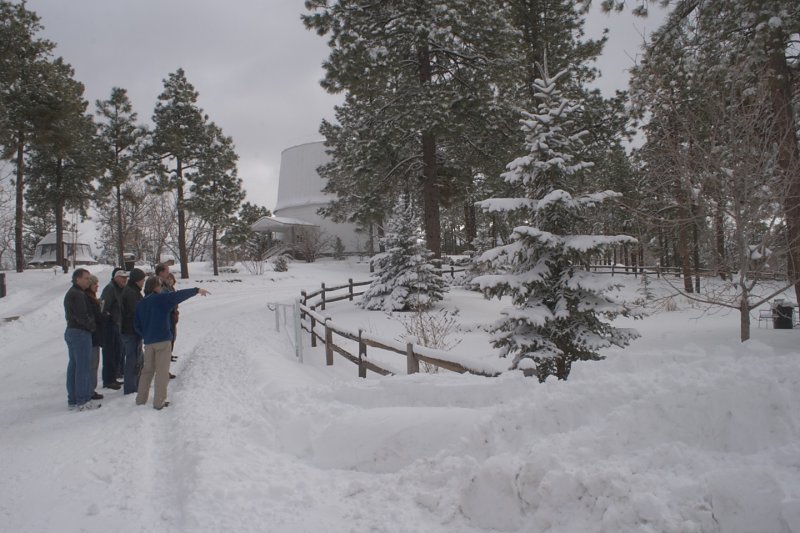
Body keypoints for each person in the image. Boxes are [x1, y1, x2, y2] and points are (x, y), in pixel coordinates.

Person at [134, 276, 209, 409]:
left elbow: (137, 325)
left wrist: (146, 335)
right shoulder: (161, 299)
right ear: (156, 287)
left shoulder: (141, 303)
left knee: (147, 371)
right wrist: (196, 290)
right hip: (163, 340)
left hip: (149, 342)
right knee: (162, 372)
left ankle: (140, 400)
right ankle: (159, 402)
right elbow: (178, 296)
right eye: (160, 285)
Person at [64, 268, 100, 411]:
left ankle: (73, 399)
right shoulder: (78, 294)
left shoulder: (72, 293)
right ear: (77, 279)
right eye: (86, 278)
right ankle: (83, 400)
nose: (88, 281)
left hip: (72, 331)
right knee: (83, 367)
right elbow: (82, 315)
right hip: (80, 333)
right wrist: (92, 326)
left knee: (74, 366)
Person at [99, 268, 127, 390]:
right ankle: (108, 380)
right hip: (109, 325)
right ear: (116, 278)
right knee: (109, 353)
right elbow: (103, 307)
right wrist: (108, 317)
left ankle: (114, 376)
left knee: (117, 352)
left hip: (117, 324)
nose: (125, 280)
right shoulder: (110, 289)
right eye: (123, 278)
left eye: (126, 278)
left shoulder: (120, 289)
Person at [120, 268, 145, 395]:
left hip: (132, 330)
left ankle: (136, 384)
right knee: (132, 359)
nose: (143, 283)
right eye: (142, 280)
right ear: (137, 280)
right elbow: (134, 312)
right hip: (130, 330)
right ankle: (130, 387)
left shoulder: (133, 291)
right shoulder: (131, 293)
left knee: (137, 359)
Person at [84, 274, 105, 402]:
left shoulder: (92, 298)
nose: (97, 286)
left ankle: (90, 388)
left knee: (94, 363)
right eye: (95, 284)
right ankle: (89, 390)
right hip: (92, 335)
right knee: (91, 364)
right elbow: (94, 316)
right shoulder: (88, 299)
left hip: (95, 335)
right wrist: (102, 315)